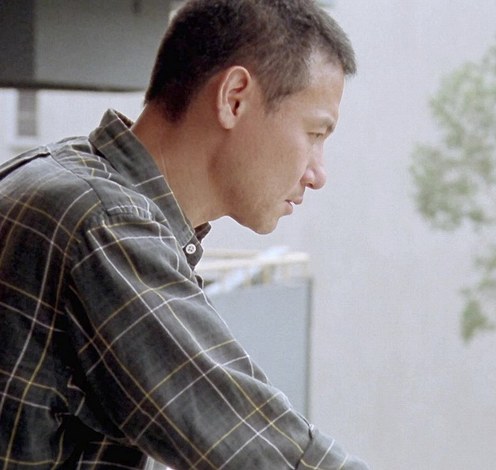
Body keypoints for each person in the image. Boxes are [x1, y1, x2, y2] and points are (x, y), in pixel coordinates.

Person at [0, 0, 368, 468]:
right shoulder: (102, 225)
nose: (318, 174)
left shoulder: (61, 178)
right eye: (315, 134)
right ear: (234, 98)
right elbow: (260, 449)